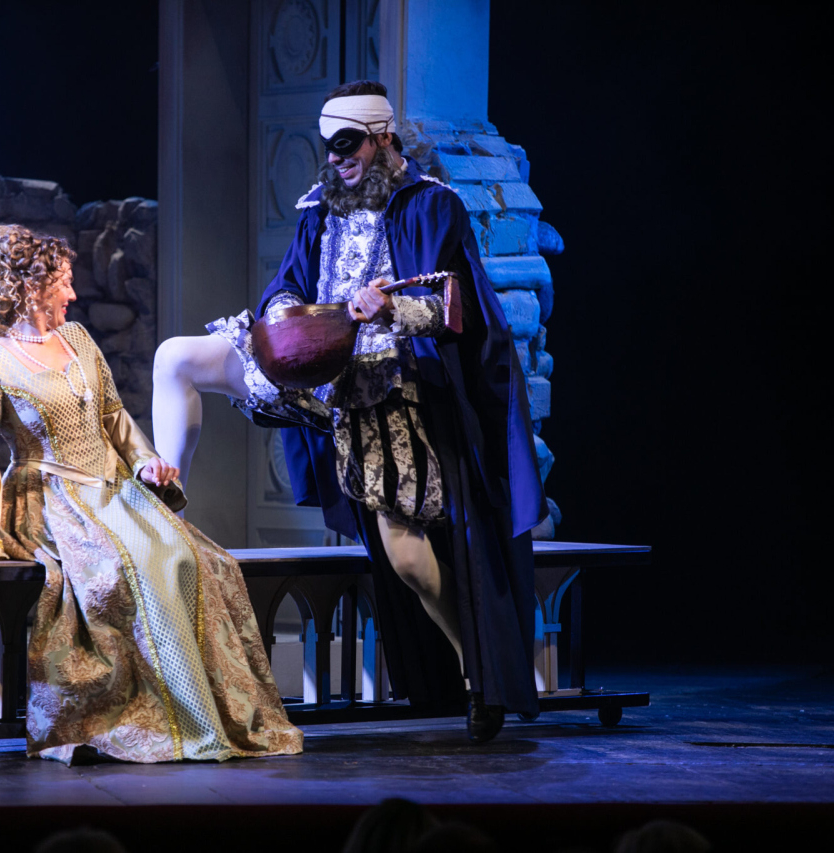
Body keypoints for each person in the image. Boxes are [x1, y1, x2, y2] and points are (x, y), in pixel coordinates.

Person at [152, 80, 545, 743]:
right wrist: (286, 315)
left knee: (410, 561)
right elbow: (288, 284)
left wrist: (390, 307)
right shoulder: (318, 207)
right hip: (314, 368)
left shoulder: (431, 206)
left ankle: (477, 671)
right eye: (328, 147)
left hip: (382, 385)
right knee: (176, 358)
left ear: (382, 138)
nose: (335, 159)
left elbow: (454, 310)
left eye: (346, 145)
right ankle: (168, 503)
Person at [0, 224, 303, 764]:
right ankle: (161, 717)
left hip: (116, 490)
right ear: (29, 287)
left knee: (199, 560)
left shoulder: (78, 340)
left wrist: (146, 463)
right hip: (51, 499)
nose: (73, 294)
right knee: (128, 568)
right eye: (63, 282)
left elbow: (114, 417)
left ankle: (215, 712)